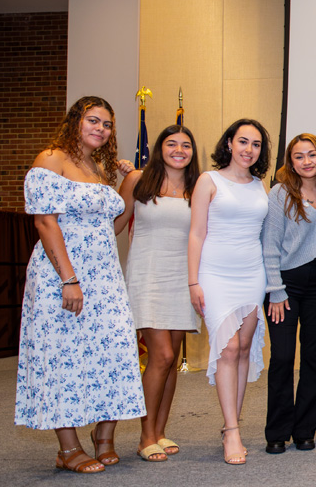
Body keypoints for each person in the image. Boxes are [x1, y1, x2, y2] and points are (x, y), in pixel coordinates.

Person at [15, 96, 145, 473]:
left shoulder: (98, 168)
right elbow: (45, 222)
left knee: (115, 350)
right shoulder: (51, 159)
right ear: (75, 121)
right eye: (93, 120)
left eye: (106, 124)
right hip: (64, 274)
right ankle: (67, 449)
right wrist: (68, 279)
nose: (100, 129)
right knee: (63, 356)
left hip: (105, 276)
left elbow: (110, 227)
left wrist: (131, 186)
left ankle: (103, 438)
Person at [115, 125, 201, 462]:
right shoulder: (138, 180)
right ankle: (145, 436)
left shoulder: (198, 187)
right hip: (146, 274)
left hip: (183, 278)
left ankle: (160, 432)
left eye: (186, 145)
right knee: (161, 356)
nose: (179, 149)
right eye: (171, 143)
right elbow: (115, 225)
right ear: (160, 148)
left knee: (171, 357)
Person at [187, 118, 271, 465]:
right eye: (243, 142)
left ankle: (229, 425)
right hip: (215, 272)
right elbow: (195, 233)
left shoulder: (259, 186)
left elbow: (264, 234)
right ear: (229, 144)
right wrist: (193, 281)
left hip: (252, 273)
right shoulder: (208, 180)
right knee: (228, 347)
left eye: (255, 144)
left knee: (243, 348)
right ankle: (233, 433)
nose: (248, 149)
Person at [261, 133, 316, 454]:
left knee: (314, 359)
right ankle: (277, 431)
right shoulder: (280, 194)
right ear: (290, 162)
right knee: (282, 358)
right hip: (285, 286)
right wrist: (275, 290)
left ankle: (305, 429)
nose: (307, 161)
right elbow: (269, 245)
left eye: (312, 155)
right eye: (299, 156)